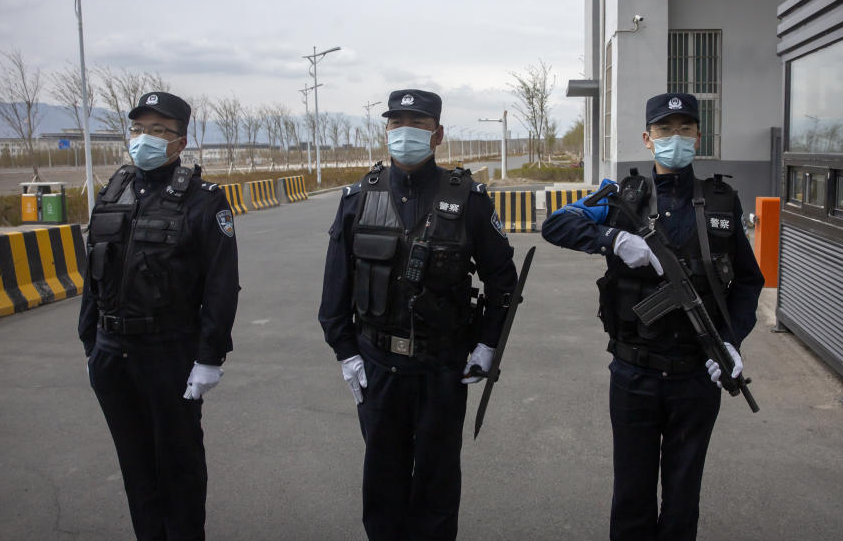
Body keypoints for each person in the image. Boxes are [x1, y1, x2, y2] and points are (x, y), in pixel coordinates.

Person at [542, 92, 764, 541]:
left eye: (685, 129)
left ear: (699, 136)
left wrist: (731, 342)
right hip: (633, 373)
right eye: (665, 130)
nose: (675, 138)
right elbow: (556, 223)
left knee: (683, 497)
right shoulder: (623, 196)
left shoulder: (721, 201)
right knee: (631, 495)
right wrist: (612, 240)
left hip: (697, 376)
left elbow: (747, 282)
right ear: (647, 139)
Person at [318, 88, 518, 541]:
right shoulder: (356, 198)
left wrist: (488, 345)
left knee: (437, 485)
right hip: (377, 365)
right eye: (396, 124)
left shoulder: (469, 198)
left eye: (419, 125)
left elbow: (503, 281)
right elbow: (335, 289)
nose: (405, 132)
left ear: (438, 134)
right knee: (382, 485)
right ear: (385, 130)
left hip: (442, 369)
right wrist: (345, 352)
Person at [78, 91, 239, 541]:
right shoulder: (113, 190)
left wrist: (209, 357)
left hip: (169, 353)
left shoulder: (204, 201)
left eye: (157, 131)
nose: (143, 138)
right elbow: (94, 273)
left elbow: (221, 287)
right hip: (113, 354)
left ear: (179, 142)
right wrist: (90, 342)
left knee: (179, 466)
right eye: (137, 129)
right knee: (136, 468)